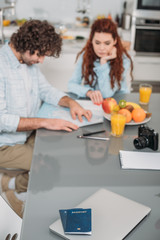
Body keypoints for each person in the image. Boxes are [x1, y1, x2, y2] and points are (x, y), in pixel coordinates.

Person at [0, 19, 92, 217]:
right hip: (5, 144)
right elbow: (2, 120)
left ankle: (9, 182)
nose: (41, 60)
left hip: (28, 135)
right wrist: (45, 122)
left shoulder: (27, 61)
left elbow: (46, 90)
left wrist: (71, 102)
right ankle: (13, 195)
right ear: (26, 44)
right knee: (48, 167)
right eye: (40, 55)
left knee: (57, 153)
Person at [68, 18, 133, 105]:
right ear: (91, 40)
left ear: (115, 41)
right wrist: (89, 92)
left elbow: (106, 94)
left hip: (118, 102)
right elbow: (71, 84)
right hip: (93, 103)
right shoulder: (86, 56)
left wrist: (103, 62)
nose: (101, 48)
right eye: (97, 43)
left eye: (107, 43)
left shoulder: (123, 60)